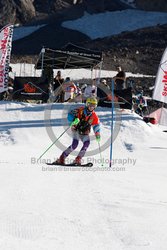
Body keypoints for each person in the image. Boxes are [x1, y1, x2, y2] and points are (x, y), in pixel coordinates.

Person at [54, 97, 101, 165]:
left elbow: (96, 125)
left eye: (94, 106)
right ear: (87, 104)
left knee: (86, 143)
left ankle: (78, 159)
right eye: (90, 105)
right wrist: (74, 120)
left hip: (85, 132)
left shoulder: (94, 116)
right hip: (76, 130)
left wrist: (97, 133)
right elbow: (69, 115)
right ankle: (62, 158)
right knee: (75, 144)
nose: (91, 107)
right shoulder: (80, 110)